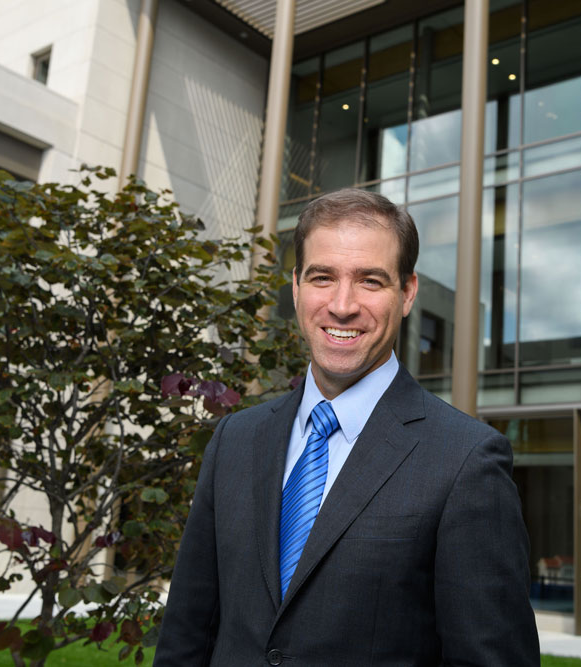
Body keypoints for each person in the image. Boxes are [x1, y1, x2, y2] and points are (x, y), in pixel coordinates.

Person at [154, 188, 539, 666]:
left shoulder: (467, 460)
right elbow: (187, 635)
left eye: (370, 281)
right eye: (322, 277)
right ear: (295, 287)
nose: (341, 305)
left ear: (407, 293)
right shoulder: (235, 439)